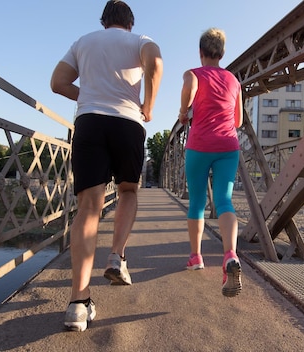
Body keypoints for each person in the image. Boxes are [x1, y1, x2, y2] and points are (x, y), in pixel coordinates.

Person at [50, 0, 163, 331]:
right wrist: (149, 106)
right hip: (128, 123)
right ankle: (117, 256)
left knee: (88, 208)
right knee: (128, 190)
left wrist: (89, 95)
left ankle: (77, 304)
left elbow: (57, 83)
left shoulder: (82, 43)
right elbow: (155, 63)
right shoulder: (140, 40)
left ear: (104, 22)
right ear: (129, 22)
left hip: (89, 122)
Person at [178, 28, 243, 297]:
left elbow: (190, 90)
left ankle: (196, 257)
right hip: (228, 146)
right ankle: (230, 254)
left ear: (201, 52)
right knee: (224, 201)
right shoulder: (234, 81)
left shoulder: (193, 73)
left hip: (200, 145)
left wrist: (184, 112)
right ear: (222, 53)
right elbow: (238, 121)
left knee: (196, 202)